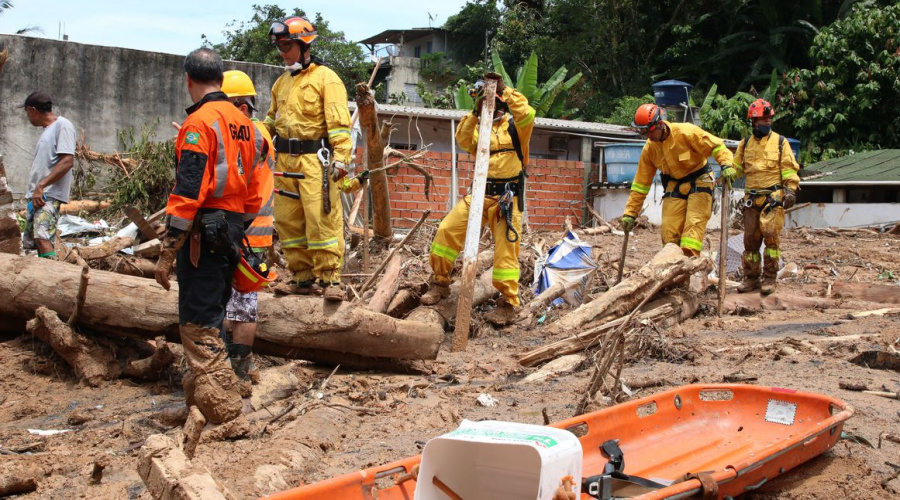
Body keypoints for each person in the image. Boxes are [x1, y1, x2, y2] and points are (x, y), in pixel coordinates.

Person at [154, 48, 264, 424]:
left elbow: (187, 191)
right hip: (230, 228)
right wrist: (236, 231)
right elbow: (254, 191)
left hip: (203, 231)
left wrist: (169, 250)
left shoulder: (200, 124)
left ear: (189, 80)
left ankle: (223, 410)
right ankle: (198, 403)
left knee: (199, 323)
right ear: (220, 78)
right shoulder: (246, 126)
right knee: (213, 315)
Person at [420, 73, 535, 326]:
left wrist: (505, 90)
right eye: (482, 103)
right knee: (447, 231)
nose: (486, 107)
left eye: (489, 103)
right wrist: (475, 113)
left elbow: (527, 113)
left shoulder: (517, 127)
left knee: (506, 254)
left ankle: (508, 303)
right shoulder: (478, 128)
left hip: (507, 197)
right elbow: (462, 139)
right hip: (480, 194)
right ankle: (440, 282)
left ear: (501, 103)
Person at [264, 16, 352, 301]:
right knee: (287, 221)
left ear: (304, 44)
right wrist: (256, 134)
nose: (283, 51)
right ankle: (301, 277)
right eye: (279, 45)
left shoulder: (327, 78)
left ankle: (331, 279)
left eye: (287, 45)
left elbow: (339, 124)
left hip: (316, 160)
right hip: (285, 161)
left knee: (320, 219)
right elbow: (271, 120)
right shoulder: (281, 83)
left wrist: (341, 158)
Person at [220, 69, 276, 382]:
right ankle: (232, 368)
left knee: (242, 306)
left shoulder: (251, 134)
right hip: (245, 229)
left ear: (242, 107)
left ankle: (238, 373)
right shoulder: (252, 131)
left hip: (249, 232)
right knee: (233, 305)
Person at [622, 103, 735, 256]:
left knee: (691, 234)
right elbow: (641, 184)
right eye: (643, 133)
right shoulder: (650, 149)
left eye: (649, 132)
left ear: (660, 124)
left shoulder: (686, 132)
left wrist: (726, 164)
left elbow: (717, 147)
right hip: (674, 185)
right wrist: (630, 213)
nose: (647, 137)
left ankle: (689, 266)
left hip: (700, 180)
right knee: (669, 236)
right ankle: (672, 270)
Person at [732, 98, 801, 295]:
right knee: (750, 241)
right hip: (752, 200)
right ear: (753, 122)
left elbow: (789, 169)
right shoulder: (744, 145)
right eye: (762, 120)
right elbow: (737, 168)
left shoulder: (780, 142)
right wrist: (727, 173)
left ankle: (770, 278)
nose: (766, 123)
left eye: (768, 119)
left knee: (771, 239)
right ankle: (751, 278)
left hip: (773, 198)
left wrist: (790, 190)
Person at [22, 92, 75, 259]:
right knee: (32, 242)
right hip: (38, 196)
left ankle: (52, 278)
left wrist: (41, 185)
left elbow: (67, 161)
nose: (28, 117)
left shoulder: (63, 125)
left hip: (47, 195)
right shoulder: (47, 130)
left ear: (32, 110)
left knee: (42, 236)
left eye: (26, 112)